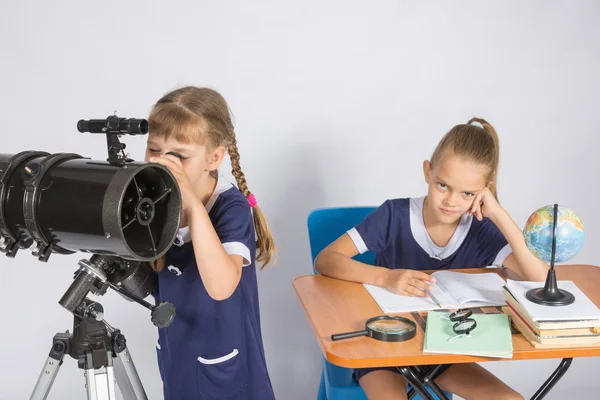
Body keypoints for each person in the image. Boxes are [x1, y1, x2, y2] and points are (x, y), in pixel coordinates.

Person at [314, 118, 548, 400]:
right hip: (382, 345)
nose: (451, 201)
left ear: (483, 192)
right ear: (428, 171)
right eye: (442, 185)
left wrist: (498, 214)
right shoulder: (394, 216)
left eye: (467, 194)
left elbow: (541, 279)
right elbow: (326, 260)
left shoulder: (480, 230)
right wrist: (386, 277)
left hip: (441, 351)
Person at [146, 86, 276, 400]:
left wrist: (191, 203)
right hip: (178, 353)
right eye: (153, 149)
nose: (163, 163)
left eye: (179, 155)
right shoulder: (153, 201)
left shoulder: (231, 208)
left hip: (224, 363)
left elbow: (220, 286)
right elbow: (149, 280)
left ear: (213, 158)